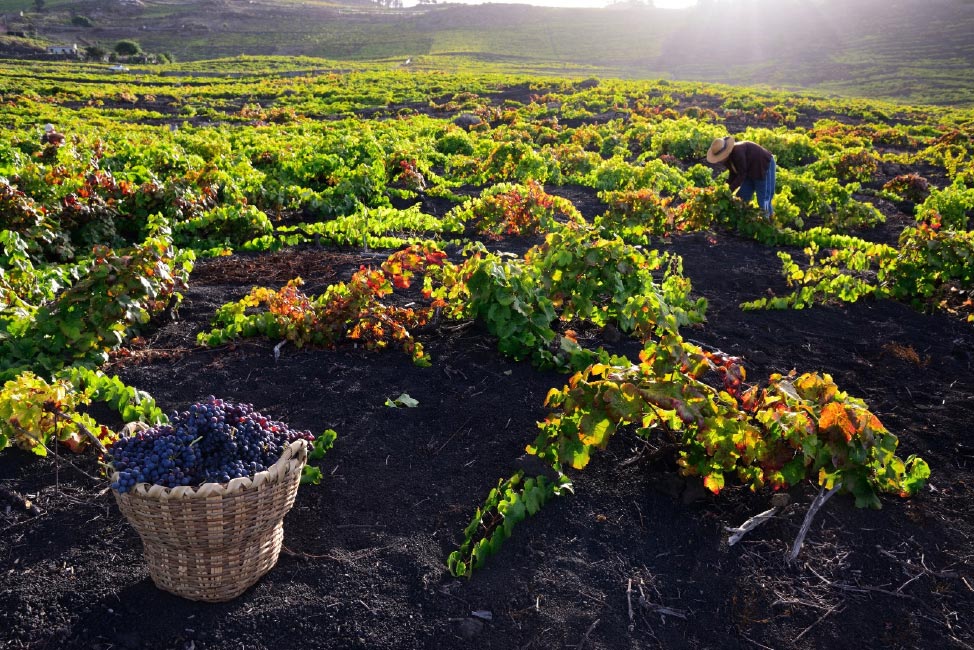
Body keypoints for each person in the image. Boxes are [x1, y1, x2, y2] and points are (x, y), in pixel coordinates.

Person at [706, 136, 776, 217]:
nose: (720, 160)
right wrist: (725, 188)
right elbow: (733, 173)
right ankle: (742, 219)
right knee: (742, 197)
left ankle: (769, 222)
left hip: (762, 166)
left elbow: (742, 174)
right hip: (749, 169)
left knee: (763, 199)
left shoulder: (738, 152)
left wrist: (730, 190)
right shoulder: (726, 160)